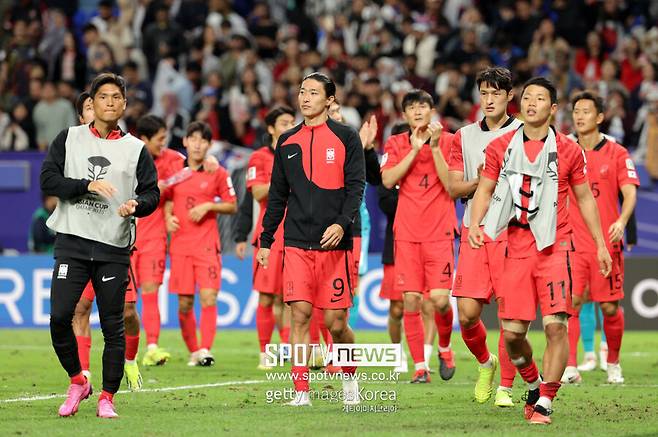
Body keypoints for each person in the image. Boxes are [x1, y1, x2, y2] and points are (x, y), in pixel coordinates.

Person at [468, 77, 612, 425]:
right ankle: (533, 383)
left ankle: (546, 400)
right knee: (514, 336)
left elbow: (584, 199)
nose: (532, 103)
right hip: (514, 248)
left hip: (554, 247)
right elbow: (485, 190)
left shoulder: (569, 150)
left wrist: (601, 244)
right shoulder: (501, 146)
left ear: (553, 108)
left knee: (555, 327)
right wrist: (475, 222)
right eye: (527, 97)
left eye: (540, 98)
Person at [40, 73, 159, 418]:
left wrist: (138, 205)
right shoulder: (69, 138)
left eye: (115, 97)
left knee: (112, 324)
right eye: (102, 97)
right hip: (72, 242)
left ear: (124, 104)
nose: (109, 102)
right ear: (91, 103)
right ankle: (78, 380)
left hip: (112, 247)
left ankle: (107, 396)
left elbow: (152, 192)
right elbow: (48, 180)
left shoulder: (135, 149)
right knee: (60, 317)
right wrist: (86, 186)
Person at [256, 72, 365, 406]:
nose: (305, 97)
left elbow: (356, 186)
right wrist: (265, 240)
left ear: (330, 100)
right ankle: (301, 392)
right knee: (299, 314)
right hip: (296, 242)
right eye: (302, 91)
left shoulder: (347, 137)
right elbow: (277, 196)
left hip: (335, 244)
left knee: (335, 324)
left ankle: (351, 380)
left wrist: (342, 224)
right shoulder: (287, 142)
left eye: (314, 92)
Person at [446, 67, 521, 406]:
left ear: (509, 96)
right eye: (484, 93)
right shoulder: (463, 136)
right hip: (474, 229)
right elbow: (452, 187)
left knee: (511, 313)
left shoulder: (524, 132)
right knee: (467, 314)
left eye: (496, 94)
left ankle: (505, 386)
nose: (489, 100)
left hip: (513, 232)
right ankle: (485, 363)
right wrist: (480, 182)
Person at [380, 89, 456, 383]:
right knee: (410, 300)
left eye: (423, 106)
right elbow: (387, 180)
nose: (418, 111)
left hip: (439, 233)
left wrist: (433, 148)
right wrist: (413, 149)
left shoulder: (449, 141)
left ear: (432, 110)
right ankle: (420, 366)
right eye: (412, 107)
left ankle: (445, 348)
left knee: (438, 301)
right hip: (407, 234)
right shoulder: (396, 142)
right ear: (404, 115)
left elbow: (451, 185)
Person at [563, 91, 639, 385]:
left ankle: (613, 363)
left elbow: (629, 191)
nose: (579, 116)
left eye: (585, 111)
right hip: (571, 242)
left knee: (609, 307)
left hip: (606, 244)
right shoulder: (564, 150)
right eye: (576, 111)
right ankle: (570, 366)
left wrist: (621, 220)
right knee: (571, 302)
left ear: (599, 117)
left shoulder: (617, 153)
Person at [165, 121, 237, 367]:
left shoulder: (217, 172)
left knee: (209, 297)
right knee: (184, 303)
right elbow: (165, 197)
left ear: (209, 145)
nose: (197, 144)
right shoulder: (175, 169)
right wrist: (167, 217)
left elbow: (232, 204)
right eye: (193, 139)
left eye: (203, 140)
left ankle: (205, 349)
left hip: (207, 246)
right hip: (180, 246)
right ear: (185, 141)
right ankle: (194, 350)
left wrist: (209, 205)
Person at [246, 106, 295, 369]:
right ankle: (265, 352)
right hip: (270, 234)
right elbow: (257, 193)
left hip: (297, 233)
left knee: (289, 296)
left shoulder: (299, 153)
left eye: (292, 122)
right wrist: (287, 179)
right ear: (271, 128)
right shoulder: (259, 157)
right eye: (284, 122)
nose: (290, 125)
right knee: (266, 296)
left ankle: (286, 347)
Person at [378, 123, 409, 374]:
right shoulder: (389, 170)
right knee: (397, 307)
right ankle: (397, 352)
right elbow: (385, 203)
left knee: (426, 305)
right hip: (396, 244)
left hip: (427, 242)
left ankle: (427, 356)